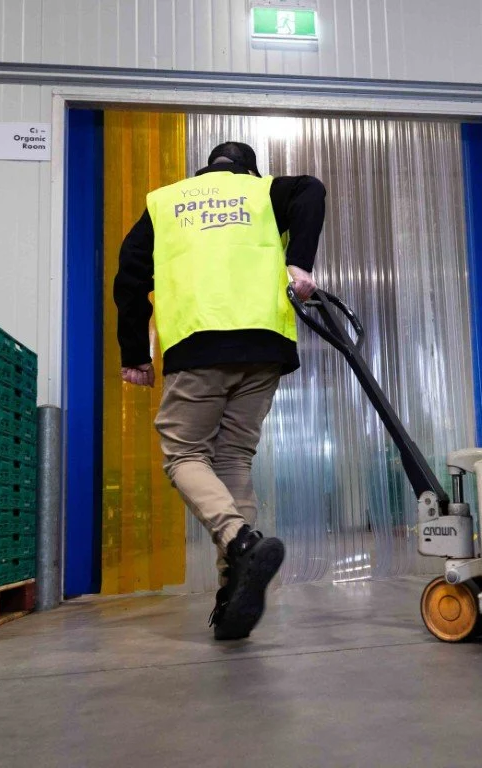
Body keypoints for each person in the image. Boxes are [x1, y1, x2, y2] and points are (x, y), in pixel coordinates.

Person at [113, 141, 325, 640]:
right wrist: (299, 263)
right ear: (249, 169)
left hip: (201, 343)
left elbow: (130, 276)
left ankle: (238, 539)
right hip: (265, 345)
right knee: (232, 460)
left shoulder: (166, 202)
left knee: (184, 452)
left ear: (204, 169)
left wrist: (133, 353)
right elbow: (312, 189)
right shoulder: (263, 191)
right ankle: (232, 598)